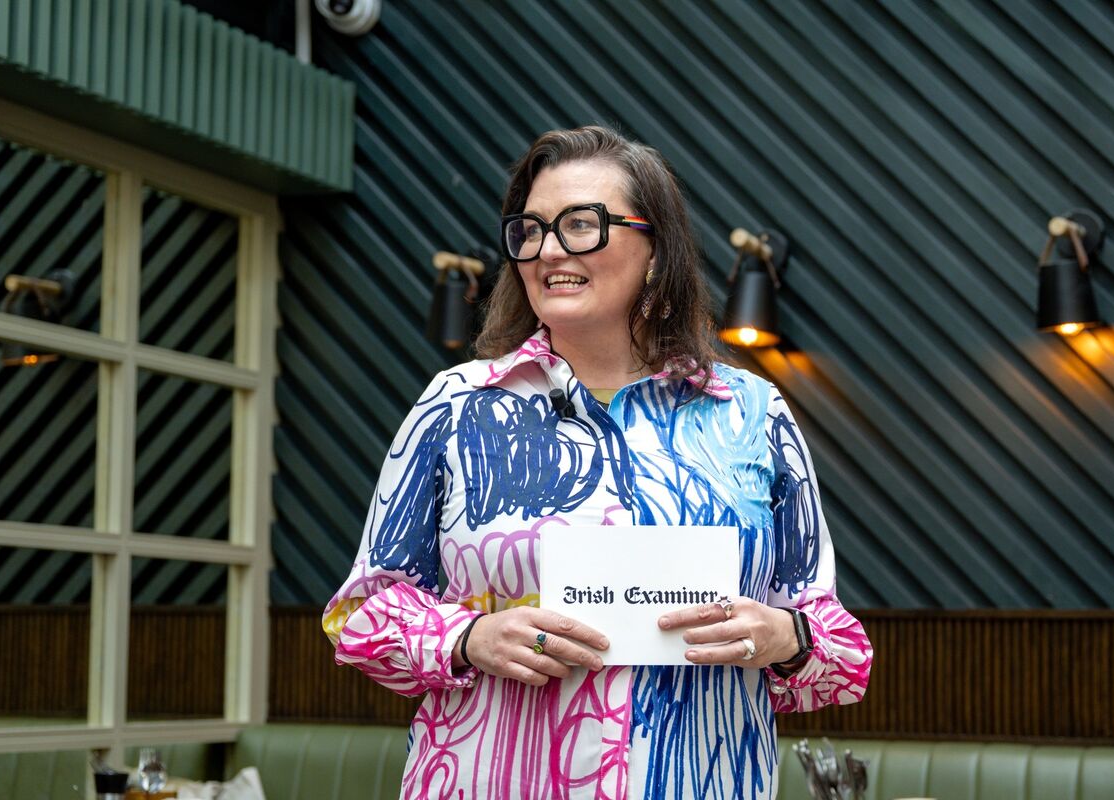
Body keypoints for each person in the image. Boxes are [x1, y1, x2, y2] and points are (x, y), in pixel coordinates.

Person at [323, 125, 872, 799]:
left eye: (581, 225)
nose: (549, 249)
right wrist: (468, 638)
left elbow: (842, 655)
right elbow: (360, 620)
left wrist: (786, 638)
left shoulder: (752, 413)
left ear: (655, 250)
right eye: (530, 230)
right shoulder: (457, 405)